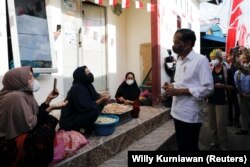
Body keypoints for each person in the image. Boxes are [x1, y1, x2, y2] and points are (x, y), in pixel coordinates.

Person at [0, 66, 67, 167]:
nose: (33, 80)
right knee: (45, 130)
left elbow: (35, 114)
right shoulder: (15, 97)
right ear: (18, 80)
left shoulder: (24, 93)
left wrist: (48, 99)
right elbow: (31, 123)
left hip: (22, 128)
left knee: (49, 120)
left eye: (32, 77)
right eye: (29, 77)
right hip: (9, 141)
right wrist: (51, 108)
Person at [162, 29, 214, 151]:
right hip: (177, 112)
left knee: (189, 148)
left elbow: (208, 88)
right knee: (181, 146)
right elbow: (181, 83)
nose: (174, 45)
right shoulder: (179, 60)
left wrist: (179, 91)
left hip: (190, 115)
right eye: (174, 42)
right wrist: (171, 86)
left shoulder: (201, 60)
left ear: (188, 43)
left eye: (177, 42)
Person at [59, 66, 110, 135]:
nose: (90, 74)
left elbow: (95, 95)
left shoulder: (87, 85)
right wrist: (101, 100)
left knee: (99, 105)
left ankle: (87, 127)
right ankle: (82, 130)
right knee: (93, 109)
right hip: (71, 119)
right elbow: (83, 106)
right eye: (87, 72)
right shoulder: (76, 88)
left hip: (80, 111)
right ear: (81, 75)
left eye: (90, 72)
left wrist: (102, 96)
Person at [207, 49, 234, 150]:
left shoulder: (227, 70)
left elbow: (233, 87)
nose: (212, 60)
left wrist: (223, 85)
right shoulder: (209, 70)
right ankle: (214, 141)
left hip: (222, 100)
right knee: (212, 124)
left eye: (214, 58)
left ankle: (223, 144)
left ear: (219, 59)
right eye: (211, 58)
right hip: (210, 100)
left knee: (221, 124)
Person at [234, 54, 250, 135]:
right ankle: (244, 129)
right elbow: (237, 85)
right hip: (242, 96)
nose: (246, 63)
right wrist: (241, 94)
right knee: (243, 113)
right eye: (243, 62)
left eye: (247, 61)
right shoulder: (238, 73)